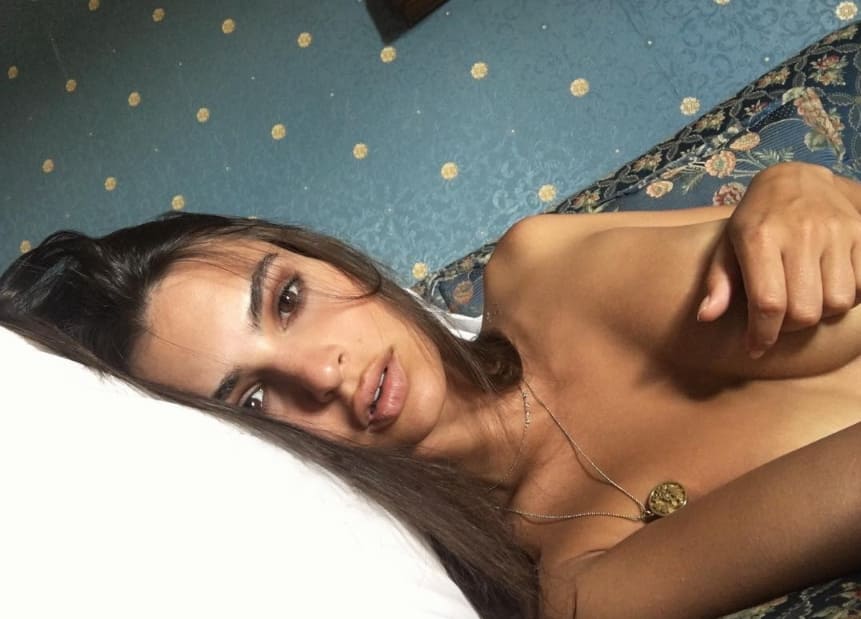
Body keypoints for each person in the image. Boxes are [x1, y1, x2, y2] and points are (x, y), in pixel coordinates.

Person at [2, 161, 861, 618]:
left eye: (288, 299)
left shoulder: (541, 261)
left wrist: (797, 186)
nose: (322, 371)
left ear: (327, 258)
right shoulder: (578, 580)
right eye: (253, 401)